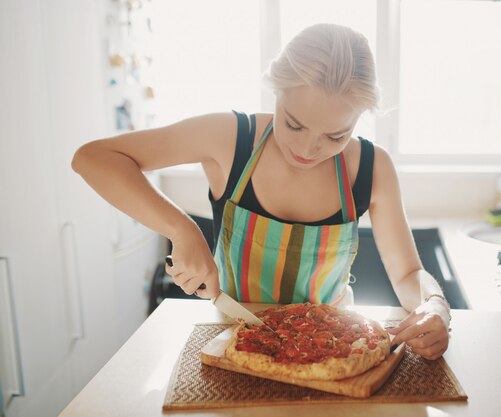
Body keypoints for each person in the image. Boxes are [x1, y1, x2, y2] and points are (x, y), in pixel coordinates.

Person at [72, 23, 451, 360]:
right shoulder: (229, 138)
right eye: (294, 124)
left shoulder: (371, 167)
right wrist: (182, 230)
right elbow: (94, 158)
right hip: (233, 346)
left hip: (331, 354)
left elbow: (407, 274)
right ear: (276, 91)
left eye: (336, 135)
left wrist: (434, 305)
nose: (307, 150)